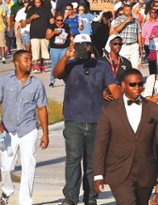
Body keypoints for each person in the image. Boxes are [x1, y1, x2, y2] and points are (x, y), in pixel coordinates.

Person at [53, 34, 122, 205]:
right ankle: (70, 197)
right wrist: (67, 56)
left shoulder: (102, 67)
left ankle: (91, 198)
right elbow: (56, 73)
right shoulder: (69, 64)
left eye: (85, 45)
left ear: (91, 47)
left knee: (93, 164)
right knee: (73, 160)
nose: (82, 49)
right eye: (78, 45)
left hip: (96, 121)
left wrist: (122, 110)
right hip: (73, 120)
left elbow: (114, 87)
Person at [93, 69, 158, 205]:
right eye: (133, 84)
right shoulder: (109, 110)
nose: (137, 88)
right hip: (119, 171)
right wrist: (98, 174)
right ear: (123, 85)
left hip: (146, 171)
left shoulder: (154, 109)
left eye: (140, 84)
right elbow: (101, 143)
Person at [0, 50, 49, 205]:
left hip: (29, 129)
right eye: (26, 60)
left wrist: (45, 134)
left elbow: (42, 109)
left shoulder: (36, 84)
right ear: (17, 63)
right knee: (6, 168)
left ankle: (25, 201)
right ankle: (7, 191)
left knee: (29, 165)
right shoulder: (4, 81)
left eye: (30, 59)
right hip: (8, 130)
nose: (30, 63)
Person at [25, 0, 54, 73]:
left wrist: (50, 29)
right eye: (36, 2)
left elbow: (51, 20)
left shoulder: (47, 10)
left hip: (45, 33)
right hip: (34, 32)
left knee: (43, 49)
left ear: (41, 2)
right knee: (35, 48)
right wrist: (32, 18)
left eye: (39, 2)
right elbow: (27, 21)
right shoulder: (31, 10)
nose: (37, 4)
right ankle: (35, 65)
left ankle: (42, 64)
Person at [110, 4, 143, 69]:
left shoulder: (135, 20)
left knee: (135, 66)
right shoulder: (119, 19)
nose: (128, 12)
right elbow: (116, 30)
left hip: (133, 45)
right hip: (123, 46)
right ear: (124, 11)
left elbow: (139, 33)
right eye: (126, 10)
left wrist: (140, 46)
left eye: (129, 10)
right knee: (123, 66)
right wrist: (125, 21)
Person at [46, 13, 71, 87]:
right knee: (55, 65)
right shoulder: (51, 26)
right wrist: (53, 33)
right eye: (58, 20)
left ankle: (65, 81)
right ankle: (52, 81)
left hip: (64, 47)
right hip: (55, 48)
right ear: (55, 20)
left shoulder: (66, 26)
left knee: (64, 65)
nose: (59, 22)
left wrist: (71, 44)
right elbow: (47, 37)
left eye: (61, 20)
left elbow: (70, 35)